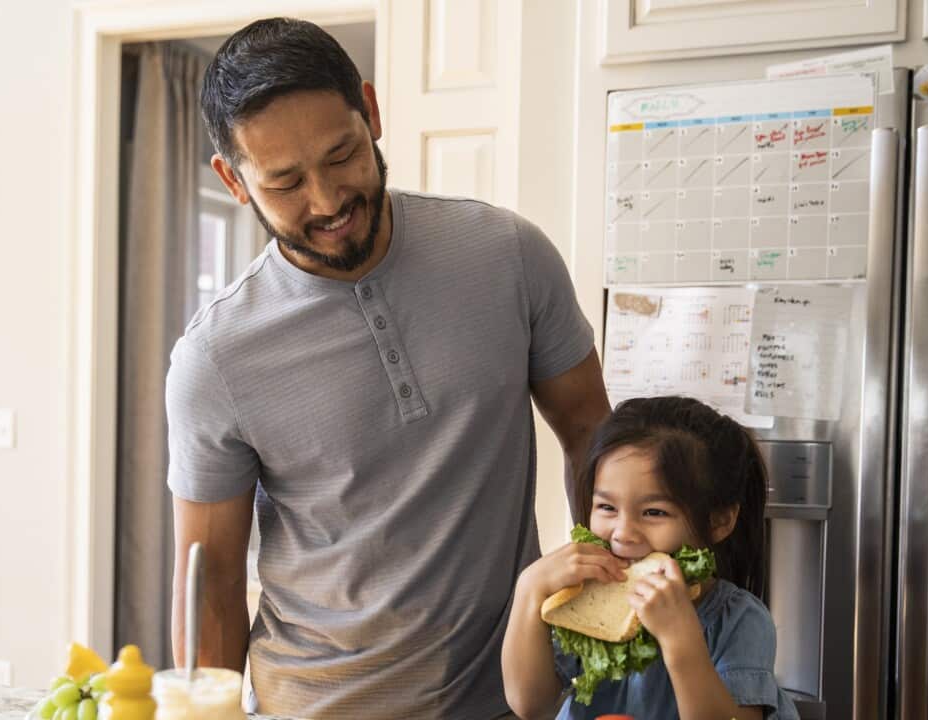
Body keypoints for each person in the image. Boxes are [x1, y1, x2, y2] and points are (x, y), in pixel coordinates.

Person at [165, 17, 610, 720]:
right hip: (310, 706)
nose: (327, 201)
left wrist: (598, 623)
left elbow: (591, 432)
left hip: (507, 699)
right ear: (234, 180)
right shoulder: (214, 358)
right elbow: (211, 581)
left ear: (370, 111)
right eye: (284, 183)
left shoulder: (508, 255)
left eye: (342, 155)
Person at [501, 396, 799, 719]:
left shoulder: (739, 620)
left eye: (654, 512)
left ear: (719, 521)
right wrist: (529, 590)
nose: (623, 533)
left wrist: (680, 639)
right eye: (607, 508)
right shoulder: (582, 595)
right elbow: (530, 704)